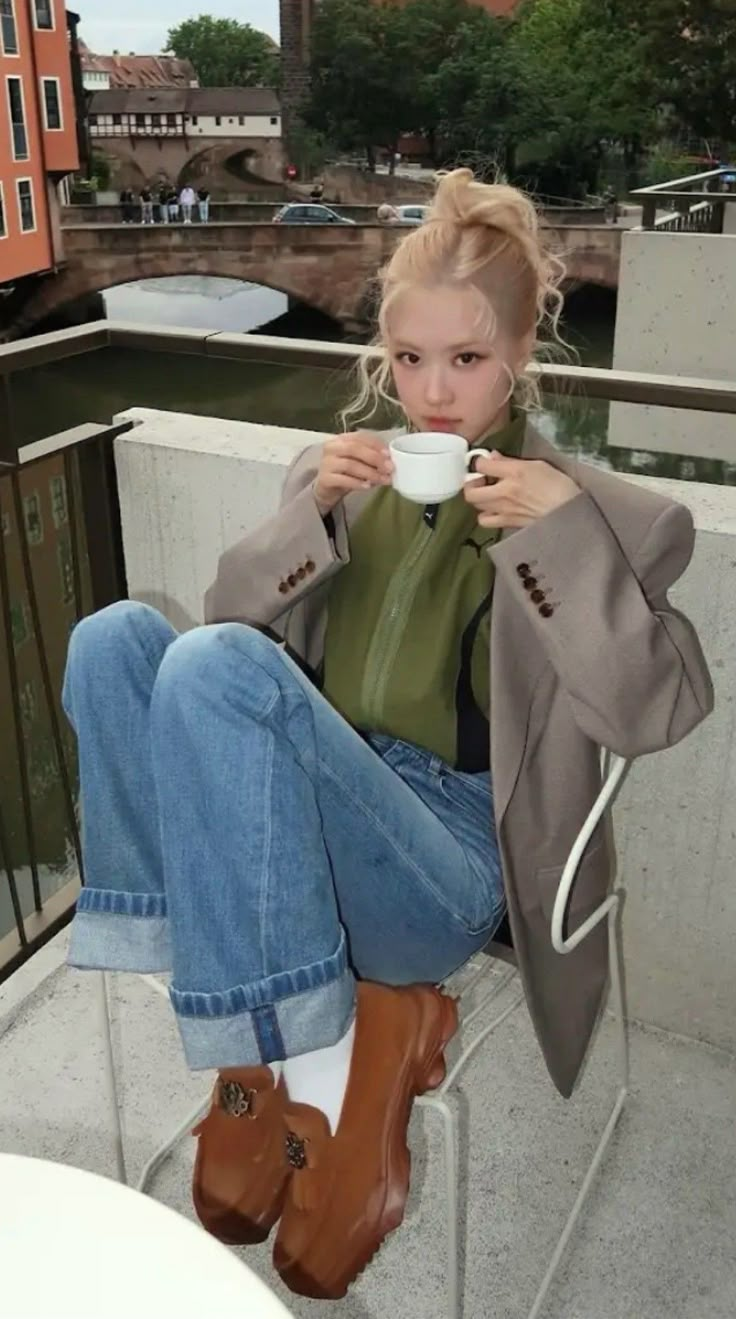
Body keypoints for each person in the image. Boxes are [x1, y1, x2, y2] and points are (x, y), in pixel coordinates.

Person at [61, 168, 713, 1301]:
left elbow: (651, 710)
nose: (431, 393)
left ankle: (302, 1061)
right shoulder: (345, 476)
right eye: (409, 359)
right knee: (115, 638)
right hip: (303, 819)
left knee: (208, 668)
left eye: (464, 359)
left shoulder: (602, 512)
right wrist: (308, 510)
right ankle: (265, 1047)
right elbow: (226, 637)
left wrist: (561, 543)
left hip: (445, 860)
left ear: (520, 349)